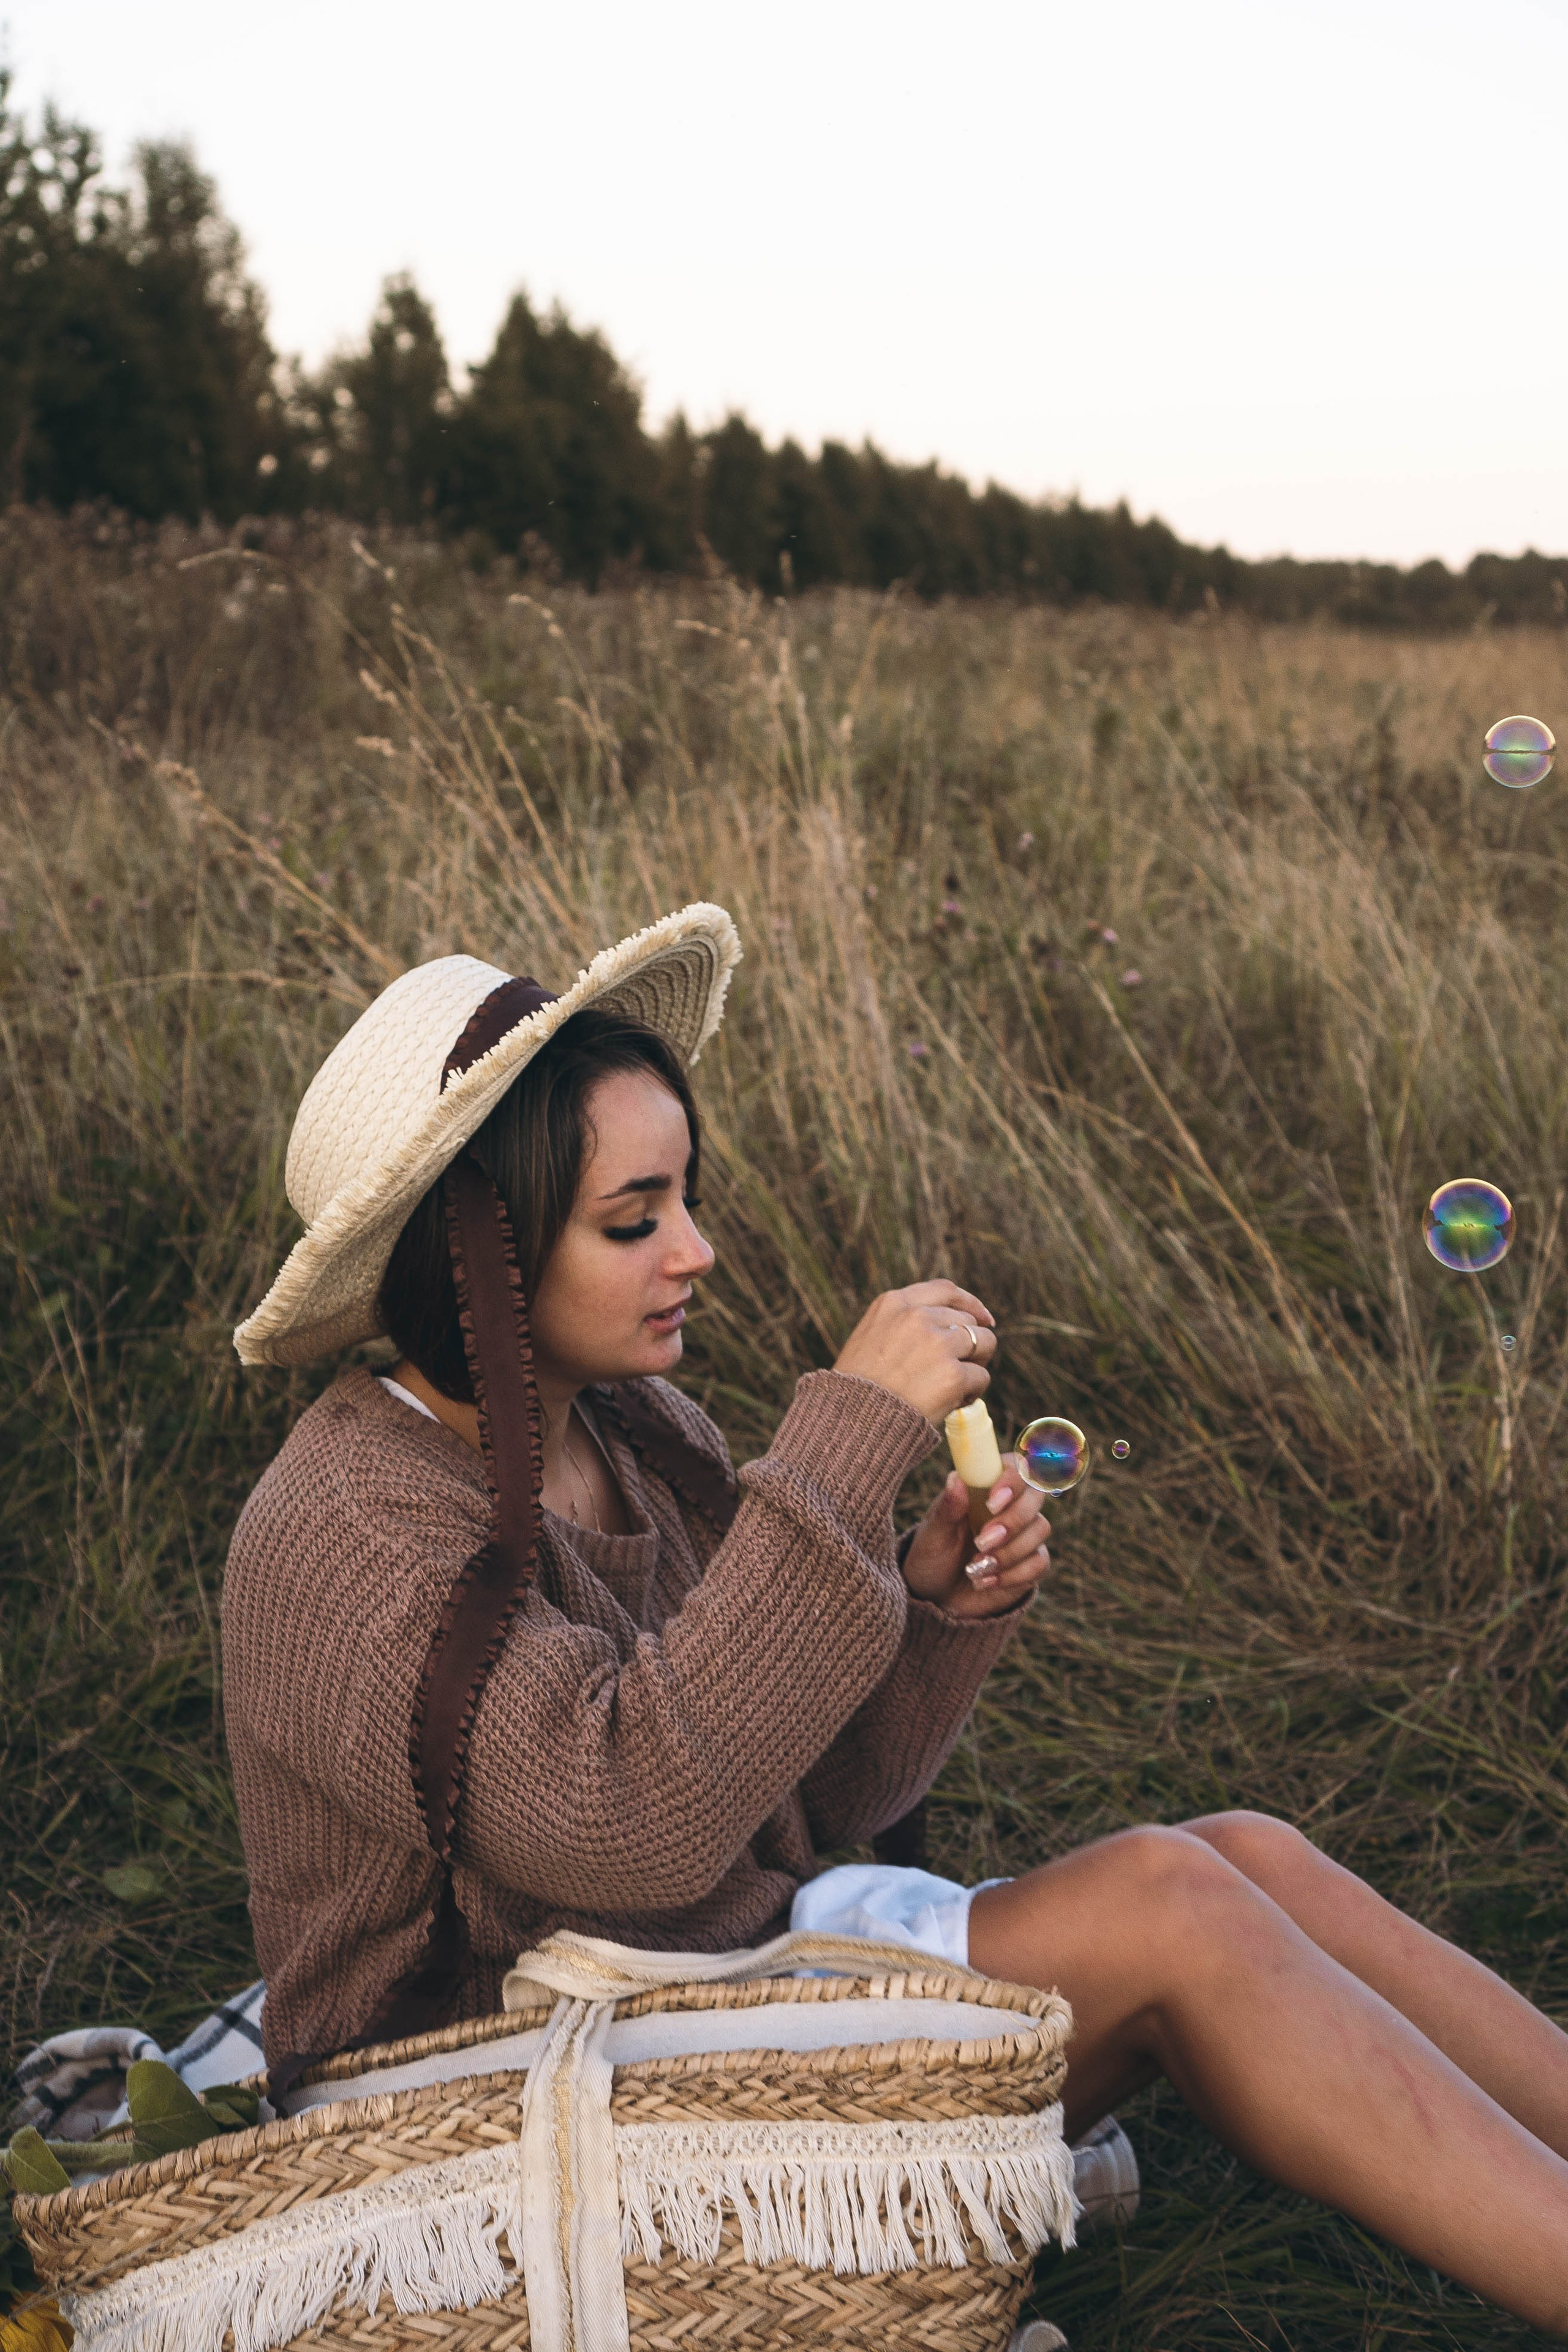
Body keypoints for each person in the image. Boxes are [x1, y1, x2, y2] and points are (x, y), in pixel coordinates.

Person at [225, 905, 1568, 2335]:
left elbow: (785, 1802)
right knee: (1173, 1911)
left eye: (684, 1198)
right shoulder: (349, 1527)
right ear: (468, 1258)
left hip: (676, 1992)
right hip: (483, 2093)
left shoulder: (631, 1430)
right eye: (633, 1220)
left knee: (1243, 1855)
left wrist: (921, 1616)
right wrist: (846, 1439)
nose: (696, 1251)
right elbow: (619, 1828)